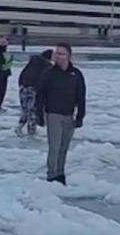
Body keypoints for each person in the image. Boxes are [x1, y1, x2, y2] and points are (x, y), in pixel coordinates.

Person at [34, 43, 86, 185]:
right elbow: (40, 95)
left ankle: (60, 174)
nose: (58, 56)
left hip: (69, 115)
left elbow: (81, 95)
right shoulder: (48, 73)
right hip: (53, 114)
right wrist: (39, 114)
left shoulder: (76, 74)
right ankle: (51, 176)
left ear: (69, 56)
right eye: (57, 53)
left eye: (61, 54)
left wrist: (80, 116)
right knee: (55, 147)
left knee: (64, 148)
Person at [15, 49, 53, 136]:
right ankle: (31, 130)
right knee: (32, 110)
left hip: (23, 88)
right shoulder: (46, 65)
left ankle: (20, 126)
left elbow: (22, 75)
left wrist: (21, 86)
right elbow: (46, 80)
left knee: (25, 109)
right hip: (33, 89)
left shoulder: (31, 63)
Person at [0, 37, 14, 111]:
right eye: (3, 42)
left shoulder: (2, 52)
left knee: (2, 90)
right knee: (1, 90)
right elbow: (2, 65)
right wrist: (10, 60)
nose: (6, 44)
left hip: (3, 73)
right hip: (2, 73)